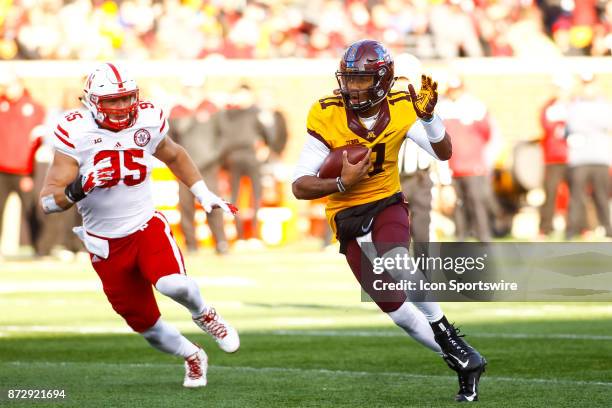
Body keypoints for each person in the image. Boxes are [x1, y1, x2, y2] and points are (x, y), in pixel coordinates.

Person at [292, 40, 486, 402]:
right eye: (349, 79)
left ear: (382, 80)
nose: (353, 87)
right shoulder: (325, 112)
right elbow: (300, 186)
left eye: (362, 80)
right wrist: (339, 183)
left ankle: (446, 331)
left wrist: (429, 118)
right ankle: (465, 361)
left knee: (396, 258)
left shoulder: (401, 108)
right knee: (400, 314)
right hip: (346, 218)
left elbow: (444, 152)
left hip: (386, 203)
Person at [39, 63, 240, 388]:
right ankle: (193, 355)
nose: (121, 107)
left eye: (126, 99)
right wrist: (80, 186)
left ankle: (205, 314)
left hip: (145, 225)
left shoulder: (148, 117)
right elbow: (48, 202)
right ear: (91, 101)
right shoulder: (75, 130)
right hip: (104, 243)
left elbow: (174, 155)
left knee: (173, 283)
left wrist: (203, 193)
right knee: (146, 325)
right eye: (112, 101)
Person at [169, 78, 229, 254]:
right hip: (184, 167)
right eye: (190, 87)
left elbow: (223, 136)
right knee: (186, 206)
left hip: (208, 165)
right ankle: (191, 244)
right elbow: (169, 140)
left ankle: (220, 242)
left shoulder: (211, 108)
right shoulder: (177, 110)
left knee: (213, 203)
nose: (193, 91)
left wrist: (214, 156)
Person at [0, 69, 46, 254]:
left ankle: (40, 249)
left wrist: (30, 172)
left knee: (33, 210)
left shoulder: (34, 108)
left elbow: (37, 141)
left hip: (24, 170)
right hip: (1, 169)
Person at [565, 72, 612, 239]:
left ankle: (608, 229)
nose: (588, 88)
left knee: (602, 196)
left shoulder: (605, 104)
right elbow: (573, 124)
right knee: (576, 197)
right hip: (579, 158)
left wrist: (587, 123)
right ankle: (570, 231)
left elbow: (606, 122)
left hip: (600, 157)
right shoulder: (574, 105)